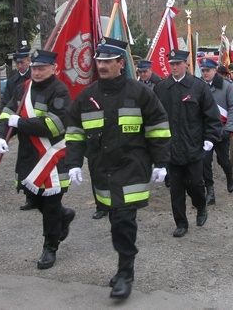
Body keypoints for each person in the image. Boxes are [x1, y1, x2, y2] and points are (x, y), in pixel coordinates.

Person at [65, 38, 171, 299]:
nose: (101, 65)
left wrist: (162, 162)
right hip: (102, 168)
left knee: (124, 219)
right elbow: (75, 131)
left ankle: (125, 274)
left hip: (133, 166)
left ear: (120, 63)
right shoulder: (87, 96)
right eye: (99, 61)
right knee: (115, 219)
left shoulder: (140, 92)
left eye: (107, 61)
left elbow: (158, 126)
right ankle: (124, 267)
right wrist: (74, 163)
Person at [0, 49, 75, 270]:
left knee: (50, 204)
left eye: (41, 68)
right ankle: (64, 215)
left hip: (52, 155)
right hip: (28, 155)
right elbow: (7, 113)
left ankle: (50, 247)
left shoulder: (60, 91)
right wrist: (0, 135)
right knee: (31, 195)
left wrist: (19, 124)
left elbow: (54, 125)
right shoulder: (23, 88)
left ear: (53, 69)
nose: (37, 72)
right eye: (34, 68)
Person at [153, 49, 221, 238]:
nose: (174, 67)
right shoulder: (161, 88)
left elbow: (212, 116)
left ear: (186, 64)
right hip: (171, 148)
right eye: (171, 64)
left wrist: (210, 138)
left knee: (195, 184)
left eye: (178, 63)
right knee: (176, 189)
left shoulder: (198, 87)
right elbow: (155, 117)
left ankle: (200, 206)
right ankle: (181, 223)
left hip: (193, 147)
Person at [1, 48, 37, 211]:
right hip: (20, 126)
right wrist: (4, 127)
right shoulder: (12, 80)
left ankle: (41, 194)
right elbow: (6, 103)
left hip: (35, 125)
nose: (20, 66)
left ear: (29, 61)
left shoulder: (35, 77)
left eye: (22, 62)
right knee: (25, 162)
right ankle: (29, 197)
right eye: (17, 63)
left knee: (38, 160)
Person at [200, 58, 233, 204]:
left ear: (215, 71)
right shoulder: (198, 85)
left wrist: (229, 129)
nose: (205, 73)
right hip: (204, 131)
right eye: (203, 70)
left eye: (207, 70)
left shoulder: (227, 86)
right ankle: (210, 191)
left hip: (221, 129)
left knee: (223, 160)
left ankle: (230, 175)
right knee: (204, 160)